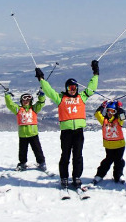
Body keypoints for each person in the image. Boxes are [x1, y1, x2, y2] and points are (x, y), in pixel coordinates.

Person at [35, 60, 98, 190]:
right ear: (66, 88)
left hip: (79, 131)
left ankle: (76, 177)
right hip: (66, 132)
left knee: (78, 156)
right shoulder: (60, 98)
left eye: (74, 88)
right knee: (65, 156)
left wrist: (96, 73)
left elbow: (91, 89)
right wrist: (41, 79)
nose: (72, 90)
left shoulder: (82, 97)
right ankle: (64, 177)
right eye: (70, 88)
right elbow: (49, 91)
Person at [4, 90, 47, 171]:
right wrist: (7, 96)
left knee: (37, 149)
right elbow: (10, 105)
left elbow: (41, 103)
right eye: (24, 100)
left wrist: (41, 95)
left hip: (33, 133)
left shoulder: (34, 108)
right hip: (23, 134)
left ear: (31, 101)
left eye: (28, 100)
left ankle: (41, 162)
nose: (26, 102)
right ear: (21, 101)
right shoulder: (18, 109)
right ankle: (22, 163)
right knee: (22, 151)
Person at [91, 100, 126, 185]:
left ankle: (118, 175)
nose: (110, 113)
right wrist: (102, 106)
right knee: (107, 161)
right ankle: (100, 174)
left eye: (112, 111)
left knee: (119, 161)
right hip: (109, 146)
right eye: (108, 111)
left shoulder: (118, 120)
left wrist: (120, 108)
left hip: (119, 145)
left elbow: (123, 116)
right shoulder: (104, 121)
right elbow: (97, 114)